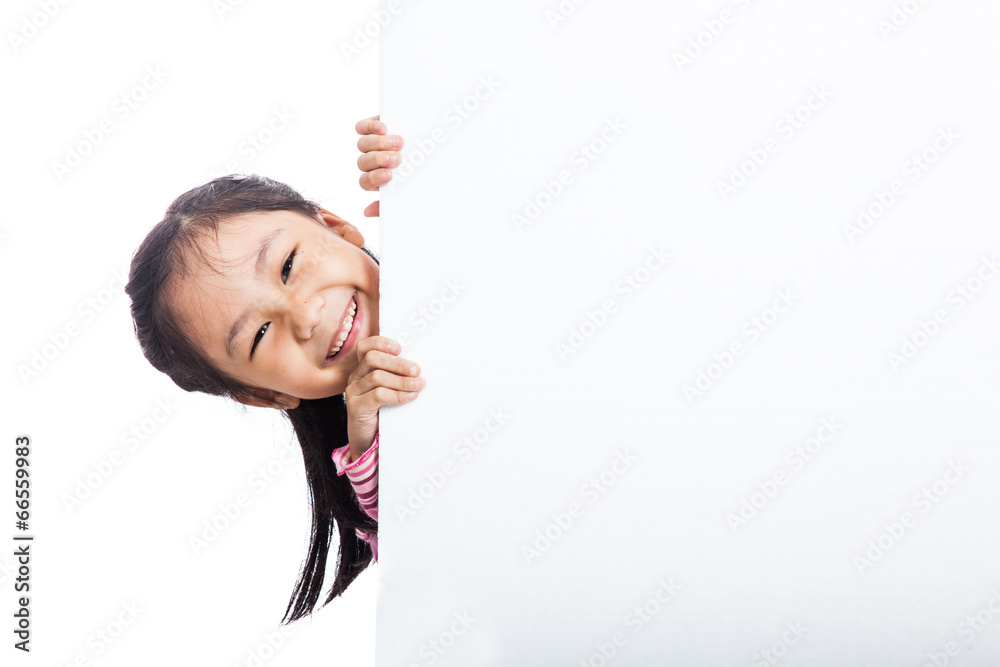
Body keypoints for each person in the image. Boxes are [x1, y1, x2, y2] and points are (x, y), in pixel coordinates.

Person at [124, 115, 416, 625]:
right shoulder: (370, 458)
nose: (305, 316)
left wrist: (429, 170)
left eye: (288, 265)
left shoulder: (435, 226)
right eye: (259, 335)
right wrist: (369, 437)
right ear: (265, 395)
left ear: (337, 227)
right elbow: (417, 538)